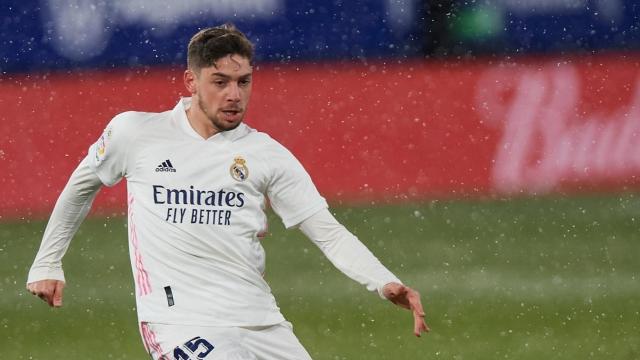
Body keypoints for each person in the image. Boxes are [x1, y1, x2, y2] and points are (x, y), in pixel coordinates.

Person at [26, 24, 429, 359]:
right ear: (191, 81)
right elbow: (82, 186)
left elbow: (325, 229)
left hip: (261, 320)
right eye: (220, 82)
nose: (234, 94)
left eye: (243, 82)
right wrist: (47, 262)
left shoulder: (266, 154)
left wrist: (382, 281)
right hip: (179, 322)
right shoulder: (137, 133)